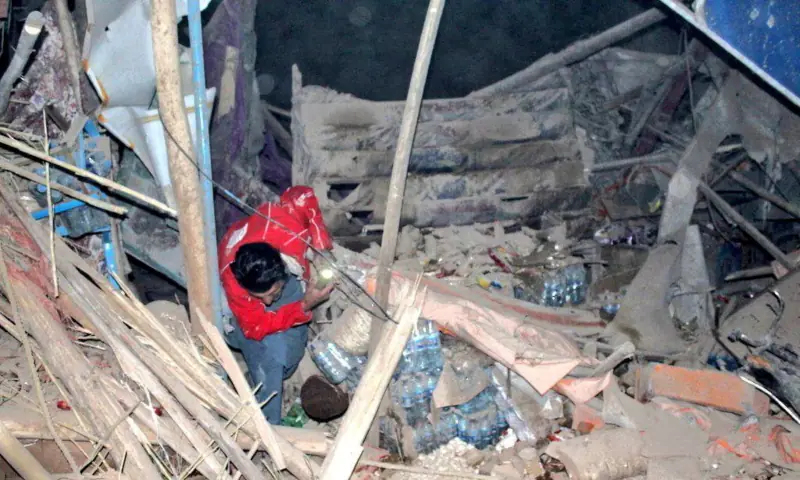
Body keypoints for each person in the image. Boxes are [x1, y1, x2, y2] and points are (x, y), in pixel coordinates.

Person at [218, 186, 344, 424]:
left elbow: (302, 195)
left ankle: (279, 363)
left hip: (275, 256)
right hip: (245, 318)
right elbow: (256, 326)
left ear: (283, 269)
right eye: (260, 296)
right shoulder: (236, 285)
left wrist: (320, 247)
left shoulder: (285, 228)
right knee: (272, 363)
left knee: (290, 354)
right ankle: (269, 428)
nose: (267, 301)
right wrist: (304, 306)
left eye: (273, 292)